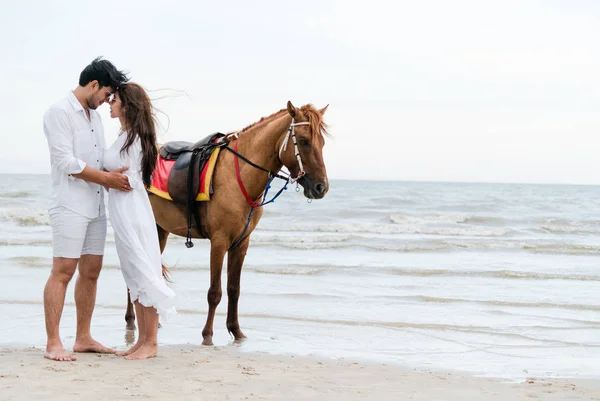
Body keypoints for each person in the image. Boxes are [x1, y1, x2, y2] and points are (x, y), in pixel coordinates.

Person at [42, 57, 131, 361]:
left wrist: (114, 175)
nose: (107, 101)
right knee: (63, 271)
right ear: (93, 84)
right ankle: (54, 342)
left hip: (96, 204)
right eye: (106, 93)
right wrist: (106, 178)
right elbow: (65, 162)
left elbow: (94, 161)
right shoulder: (58, 112)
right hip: (69, 204)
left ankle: (83, 338)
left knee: (91, 271)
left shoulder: (93, 118)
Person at [105, 82, 176, 360]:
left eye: (115, 99)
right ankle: (142, 340)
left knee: (143, 270)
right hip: (123, 210)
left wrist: (109, 176)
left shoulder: (133, 137)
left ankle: (151, 342)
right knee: (132, 273)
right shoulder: (126, 135)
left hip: (132, 210)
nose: (110, 103)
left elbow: (129, 177)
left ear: (127, 105)